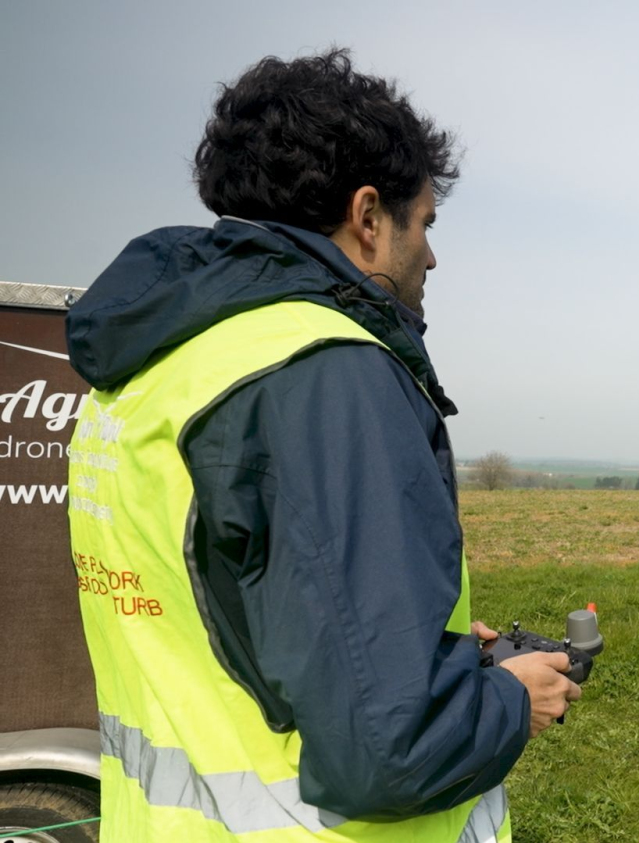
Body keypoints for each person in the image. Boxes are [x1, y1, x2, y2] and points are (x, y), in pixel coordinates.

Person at [65, 48, 578, 842]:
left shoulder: (152, 366)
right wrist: (513, 696)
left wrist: (428, 652)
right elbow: (387, 752)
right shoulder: (326, 374)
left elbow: (246, 623)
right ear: (369, 217)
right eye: (426, 222)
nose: (433, 254)